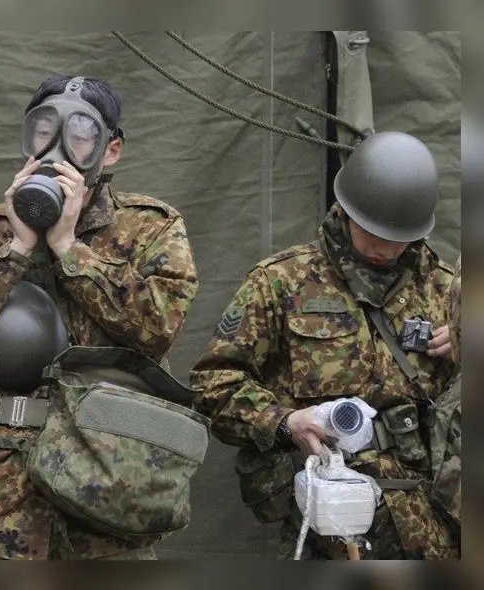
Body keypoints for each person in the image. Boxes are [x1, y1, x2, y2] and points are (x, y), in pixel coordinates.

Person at [0, 75, 199, 560]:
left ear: (110, 151)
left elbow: (158, 328)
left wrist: (68, 248)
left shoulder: (151, 227)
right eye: (44, 132)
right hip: (6, 495)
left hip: (112, 485)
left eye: (80, 135)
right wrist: (15, 250)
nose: (58, 148)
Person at [190, 130, 459, 559]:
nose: (383, 247)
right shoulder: (281, 282)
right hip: (326, 526)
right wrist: (285, 421)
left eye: (398, 237)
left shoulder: (450, 291)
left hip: (433, 524)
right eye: (372, 230)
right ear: (347, 209)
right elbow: (212, 385)